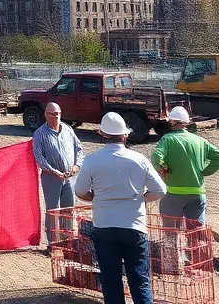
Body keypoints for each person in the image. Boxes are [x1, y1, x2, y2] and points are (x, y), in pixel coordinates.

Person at [74, 112, 167, 304]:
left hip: (104, 225)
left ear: (102, 134)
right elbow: (160, 190)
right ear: (125, 135)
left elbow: (81, 191)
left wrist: (97, 197)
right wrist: (140, 199)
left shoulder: (92, 161)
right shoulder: (139, 159)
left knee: (111, 278)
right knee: (139, 279)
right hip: (134, 225)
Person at [151, 105, 219, 223]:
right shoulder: (200, 140)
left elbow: (157, 158)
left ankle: (172, 242)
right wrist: (205, 171)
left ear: (171, 122)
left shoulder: (167, 139)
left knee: (171, 233)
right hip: (197, 192)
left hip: (174, 192)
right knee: (195, 232)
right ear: (187, 123)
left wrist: (162, 168)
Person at [32, 102, 83, 245]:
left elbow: (79, 148)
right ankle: (52, 243)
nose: (56, 117)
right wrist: (53, 171)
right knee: (53, 210)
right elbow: (39, 157)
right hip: (51, 177)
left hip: (68, 177)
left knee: (68, 208)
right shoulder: (39, 134)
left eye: (58, 113)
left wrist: (76, 165)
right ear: (46, 115)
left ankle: (67, 241)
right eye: (53, 114)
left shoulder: (68, 130)